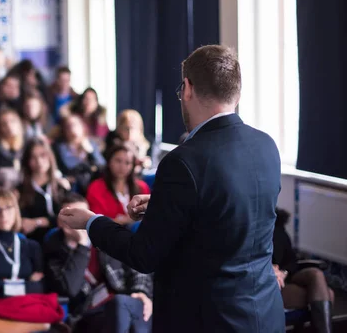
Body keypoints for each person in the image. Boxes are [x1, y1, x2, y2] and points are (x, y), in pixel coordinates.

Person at [59, 45, 285, 332]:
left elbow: (143, 254)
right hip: (264, 312)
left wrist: (91, 221)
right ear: (236, 92)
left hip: (207, 318)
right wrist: (165, 202)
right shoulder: (266, 146)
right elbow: (231, 210)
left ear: (187, 88)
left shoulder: (183, 160)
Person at [44, 194, 153, 333]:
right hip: (89, 314)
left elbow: (136, 264)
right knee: (120, 306)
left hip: (123, 300)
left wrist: (140, 291)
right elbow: (70, 289)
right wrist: (82, 245)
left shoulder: (103, 239)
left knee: (134, 305)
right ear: (60, 222)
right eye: (71, 215)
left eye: (81, 215)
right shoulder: (55, 250)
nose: (78, 221)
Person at [274, 208, 334, 333]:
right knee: (328, 294)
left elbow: (291, 260)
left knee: (316, 274)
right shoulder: (251, 229)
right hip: (270, 283)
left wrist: (284, 272)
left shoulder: (278, 227)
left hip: (286, 275)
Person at [18, 138, 68, 243]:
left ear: (50, 156)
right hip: (33, 242)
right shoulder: (20, 190)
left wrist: (37, 222)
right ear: (27, 161)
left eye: (43, 155)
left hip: (63, 240)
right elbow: (24, 223)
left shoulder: (61, 186)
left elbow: (67, 216)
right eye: (33, 157)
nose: (39, 161)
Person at [86, 144, 150, 225]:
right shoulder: (96, 187)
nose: (122, 166)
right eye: (118, 161)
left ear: (132, 166)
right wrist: (123, 221)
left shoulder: (142, 187)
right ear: (109, 162)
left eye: (127, 163)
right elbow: (96, 221)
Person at [52, 114, 105, 195]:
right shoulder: (59, 147)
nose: (72, 128)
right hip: (71, 187)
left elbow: (102, 165)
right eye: (68, 126)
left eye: (75, 124)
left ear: (82, 127)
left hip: (91, 185)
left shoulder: (91, 143)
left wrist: (90, 151)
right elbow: (68, 166)